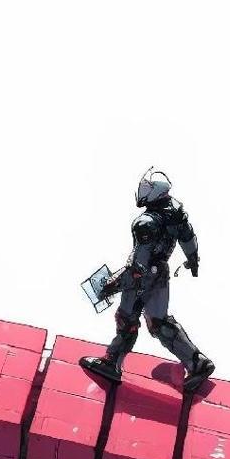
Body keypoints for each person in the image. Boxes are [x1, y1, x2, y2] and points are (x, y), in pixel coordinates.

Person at [80, 168, 215, 391]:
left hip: (144, 275)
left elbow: (137, 267)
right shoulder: (176, 214)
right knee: (159, 322)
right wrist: (192, 260)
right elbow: (188, 239)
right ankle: (197, 363)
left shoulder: (145, 222)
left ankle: (112, 363)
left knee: (127, 318)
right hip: (160, 271)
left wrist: (111, 285)